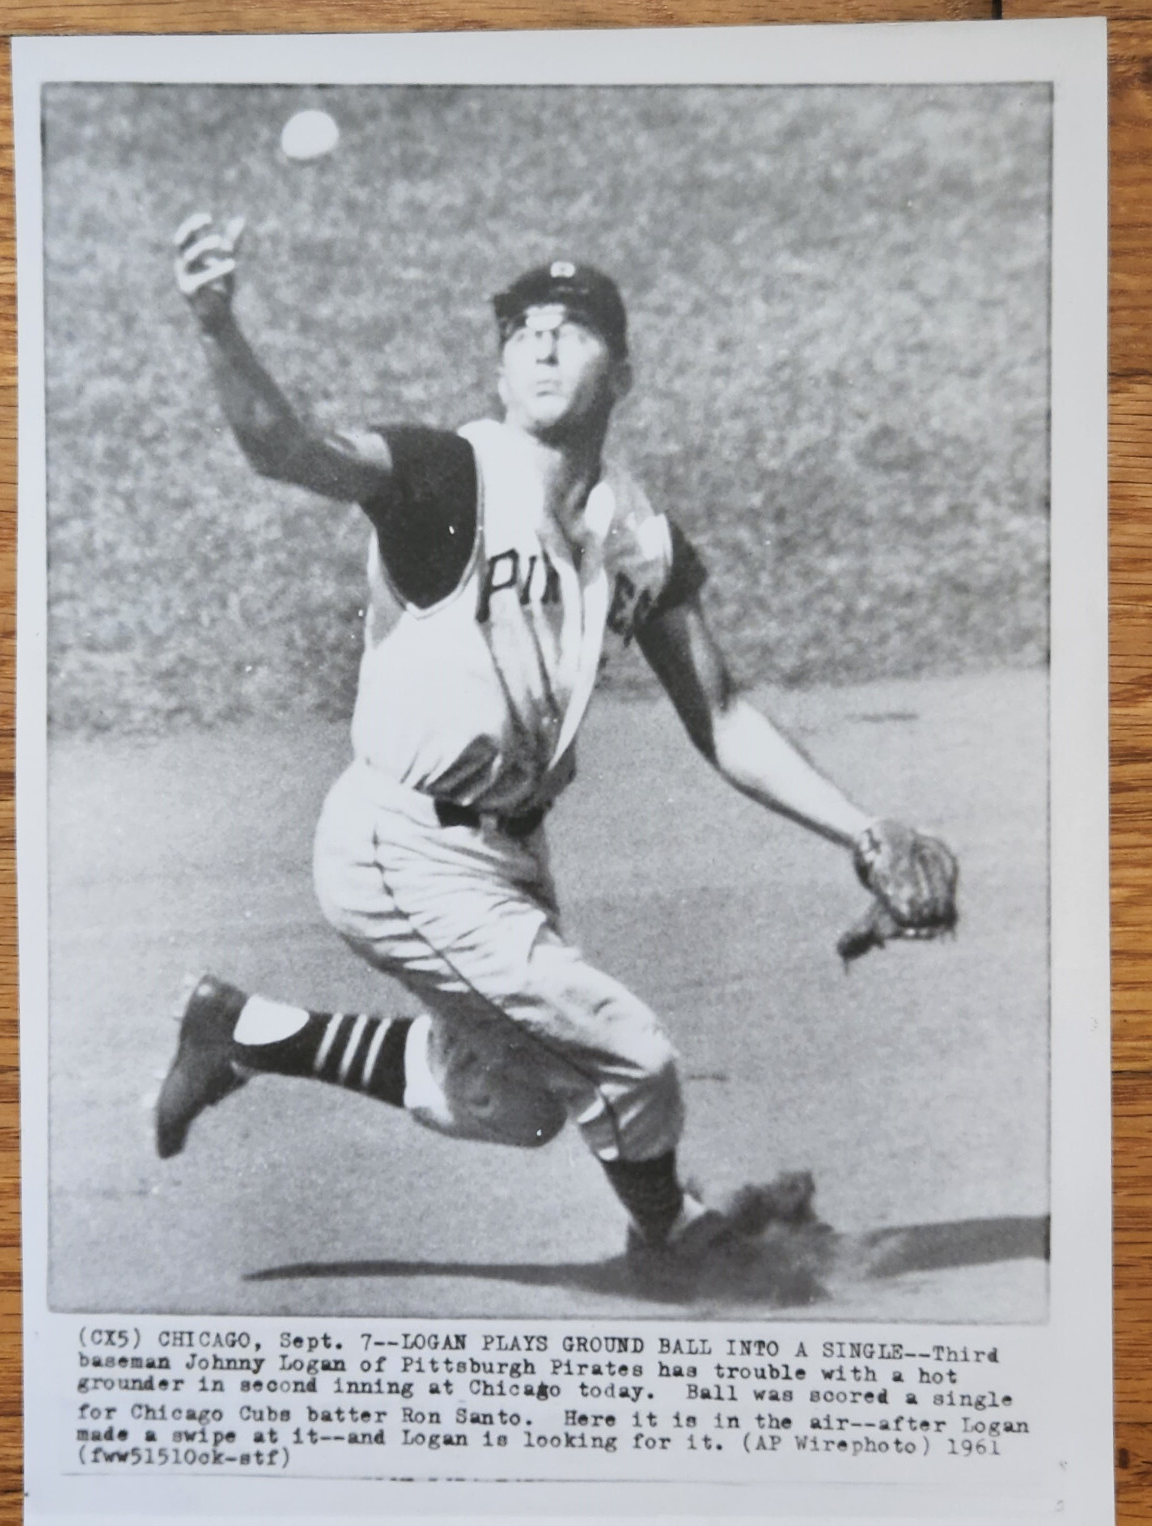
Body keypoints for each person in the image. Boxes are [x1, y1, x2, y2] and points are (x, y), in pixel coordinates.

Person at [156, 214, 956, 1279]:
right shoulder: (445, 477)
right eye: (520, 329)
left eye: (570, 329)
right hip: (397, 845)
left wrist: (862, 828)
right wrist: (217, 328)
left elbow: (719, 714)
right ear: (496, 363)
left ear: (620, 372)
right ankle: (673, 1238)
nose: (538, 344)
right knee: (630, 1056)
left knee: (516, 1100)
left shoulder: (637, 535)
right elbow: (287, 448)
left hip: (508, 862)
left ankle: (245, 1032)